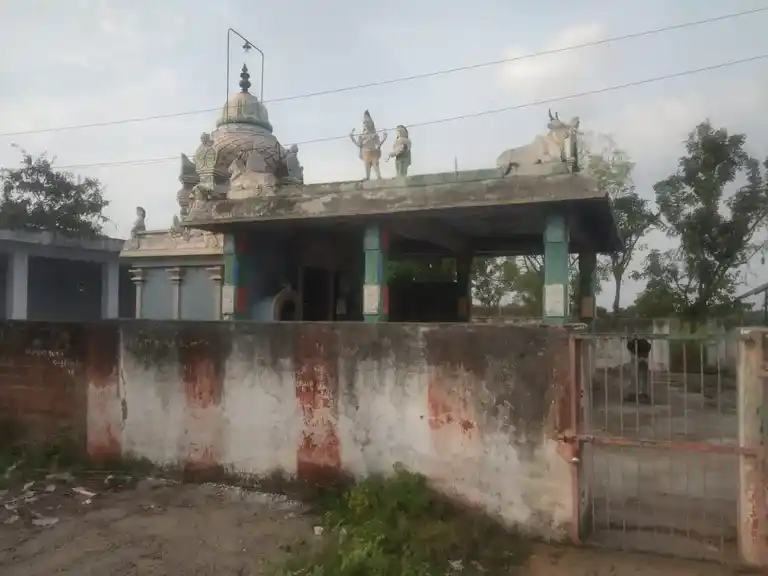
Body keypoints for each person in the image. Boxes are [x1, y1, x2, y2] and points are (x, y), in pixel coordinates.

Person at [625, 337, 651, 403]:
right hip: (641, 356)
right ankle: (640, 393)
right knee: (640, 375)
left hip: (640, 356)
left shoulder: (636, 346)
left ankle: (640, 393)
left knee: (640, 375)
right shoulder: (641, 360)